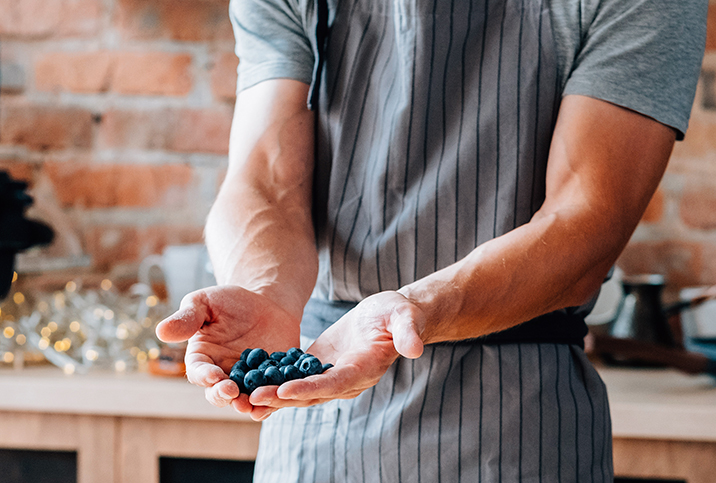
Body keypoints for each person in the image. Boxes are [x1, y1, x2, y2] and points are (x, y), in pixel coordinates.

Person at [156, 0, 708, 480]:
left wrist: (417, 309)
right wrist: (266, 290)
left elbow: (586, 221)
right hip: (312, 422)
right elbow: (265, 181)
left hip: (521, 432)